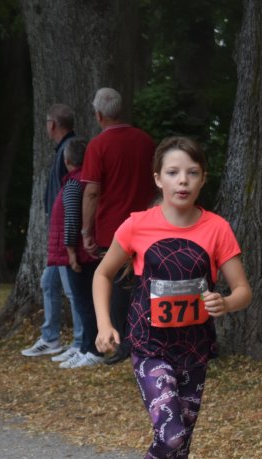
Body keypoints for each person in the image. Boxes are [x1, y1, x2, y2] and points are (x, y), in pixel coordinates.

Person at [93, 137, 252, 459]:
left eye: (192, 173)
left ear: (203, 179)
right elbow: (103, 273)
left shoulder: (217, 228)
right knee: (171, 433)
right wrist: (104, 325)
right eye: (174, 172)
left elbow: (243, 289)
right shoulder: (137, 225)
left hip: (194, 351)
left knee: (179, 455)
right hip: (149, 347)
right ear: (158, 179)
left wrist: (226, 302)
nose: (183, 181)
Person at [81, 87, 156, 366]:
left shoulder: (98, 146)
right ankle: (144, 336)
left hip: (112, 226)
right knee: (141, 283)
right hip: (147, 223)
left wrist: (86, 230)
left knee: (116, 284)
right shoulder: (146, 141)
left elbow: (91, 192)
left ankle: (122, 342)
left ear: (99, 115)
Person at [22, 103, 82, 358]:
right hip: (59, 234)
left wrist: (68, 239)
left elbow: (69, 199)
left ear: (52, 125)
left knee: (72, 290)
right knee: (49, 282)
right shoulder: (62, 152)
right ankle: (51, 336)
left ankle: (80, 341)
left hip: (64, 236)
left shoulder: (67, 152)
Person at [52, 137, 105, 368]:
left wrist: (71, 251)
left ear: (67, 161)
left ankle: (92, 349)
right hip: (87, 250)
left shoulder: (75, 184)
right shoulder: (86, 181)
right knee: (86, 302)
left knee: (84, 302)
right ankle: (84, 346)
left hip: (81, 253)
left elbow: (72, 219)